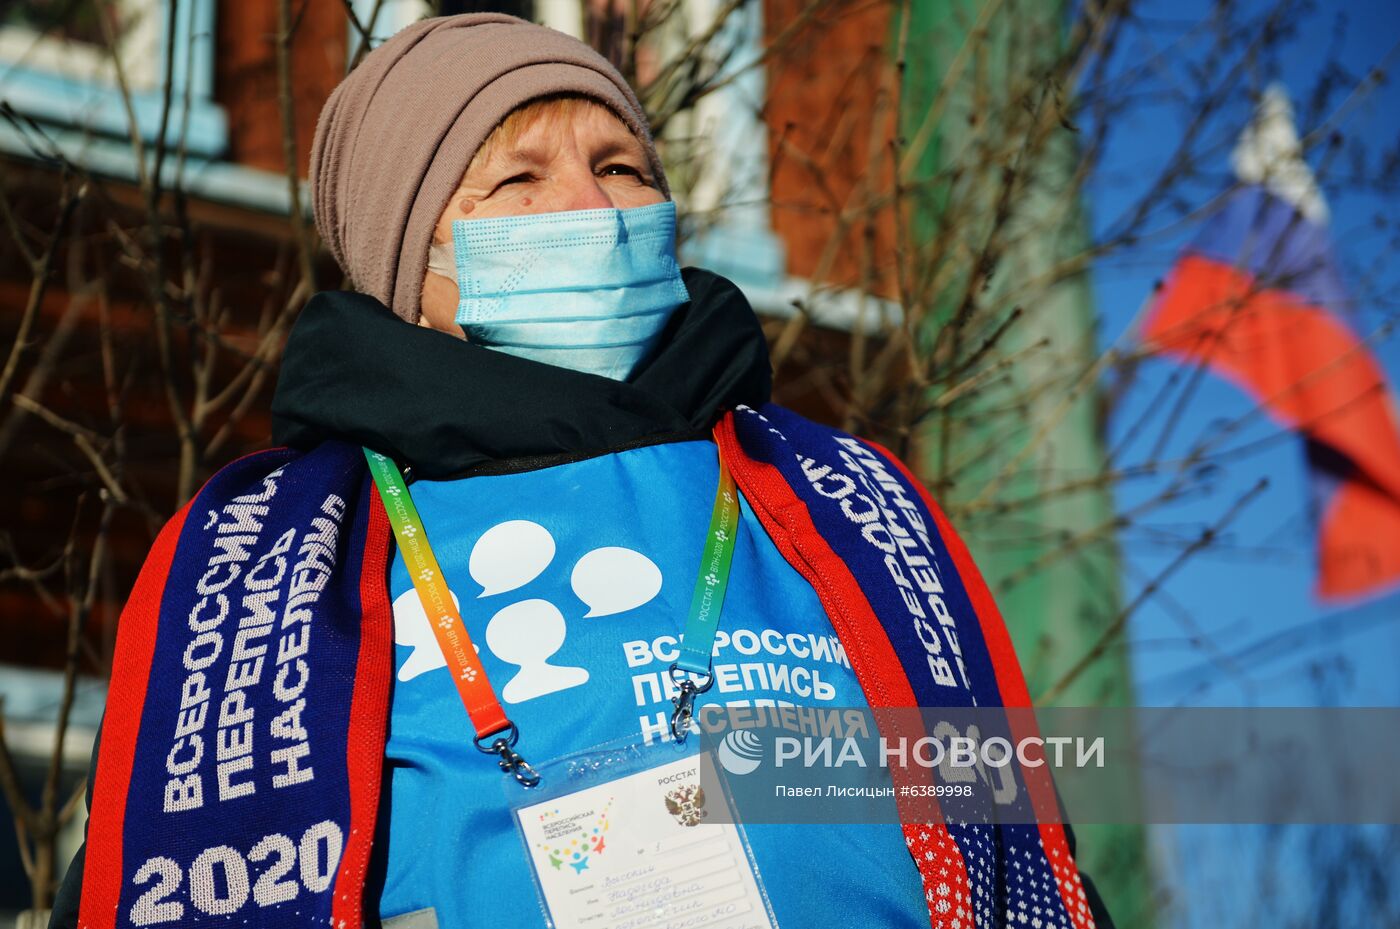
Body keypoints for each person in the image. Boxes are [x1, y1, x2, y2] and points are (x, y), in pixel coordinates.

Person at [51, 13, 1114, 929]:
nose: (593, 209)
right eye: (516, 178)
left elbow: (1025, 855)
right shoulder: (285, 564)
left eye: (621, 167)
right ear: (407, 270)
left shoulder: (833, 503)